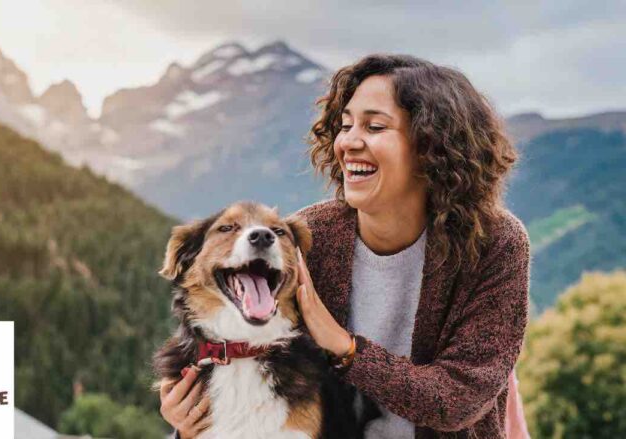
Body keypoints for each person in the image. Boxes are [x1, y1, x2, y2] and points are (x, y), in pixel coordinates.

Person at [159, 54, 531, 438]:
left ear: (431, 144)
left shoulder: (495, 243)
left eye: (374, 126)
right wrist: (188, 421)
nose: (349, 142)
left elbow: (458, 400)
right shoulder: (312, 233)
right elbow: (236, 344)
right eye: (345, 125)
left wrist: (343, 345)